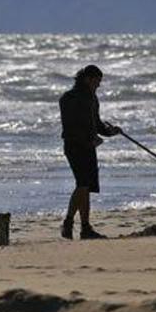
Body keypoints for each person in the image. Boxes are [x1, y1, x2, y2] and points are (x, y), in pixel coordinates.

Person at [59, 64, 121, 240]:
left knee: (85, 188)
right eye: (97, 81)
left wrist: (111, 131)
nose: (98, 85)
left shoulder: (93, 98)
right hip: (74, 146)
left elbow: (98, 124)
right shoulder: (69, 98)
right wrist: (89, 139)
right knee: (83, 184)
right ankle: (70, 223)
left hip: (89, 147)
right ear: (87, 79)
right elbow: (70, 126)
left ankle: (84, 227)